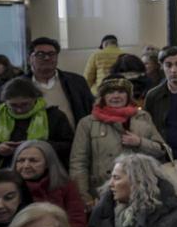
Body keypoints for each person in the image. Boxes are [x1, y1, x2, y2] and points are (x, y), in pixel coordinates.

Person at [70, 76, 170, 206]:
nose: (116, 96)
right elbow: (78, 163)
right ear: (103, 96)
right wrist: (84, 197)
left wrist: (140, 142)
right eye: (110, 92)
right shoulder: (88, 123)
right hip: (103, 193)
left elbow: (161, 150)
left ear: (128, 95)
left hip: (141, 191)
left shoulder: (142, 117)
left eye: (121, 92)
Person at [0, 77, 75, 171]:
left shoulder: (54, 117)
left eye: (25, 104)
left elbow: (70, 148)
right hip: (4, 176)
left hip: (46, 176)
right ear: (5, 102)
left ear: (36, 99)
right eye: (13, 105)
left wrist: (39, 146)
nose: (19, 110)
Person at [11, 140, 88, 227]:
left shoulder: (66, 186)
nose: (26, 165)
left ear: (47, 163)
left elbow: (77, 222)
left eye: (33, 160)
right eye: (21, 161)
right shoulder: (8, 187)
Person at [24, 37, 94, 129]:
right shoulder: (18, 85)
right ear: (30, 59)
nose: (47, 58)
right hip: (33, 141)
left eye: (51, 54)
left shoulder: (76, 82)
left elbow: (91, 111)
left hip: (74, 139)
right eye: (40, 54)